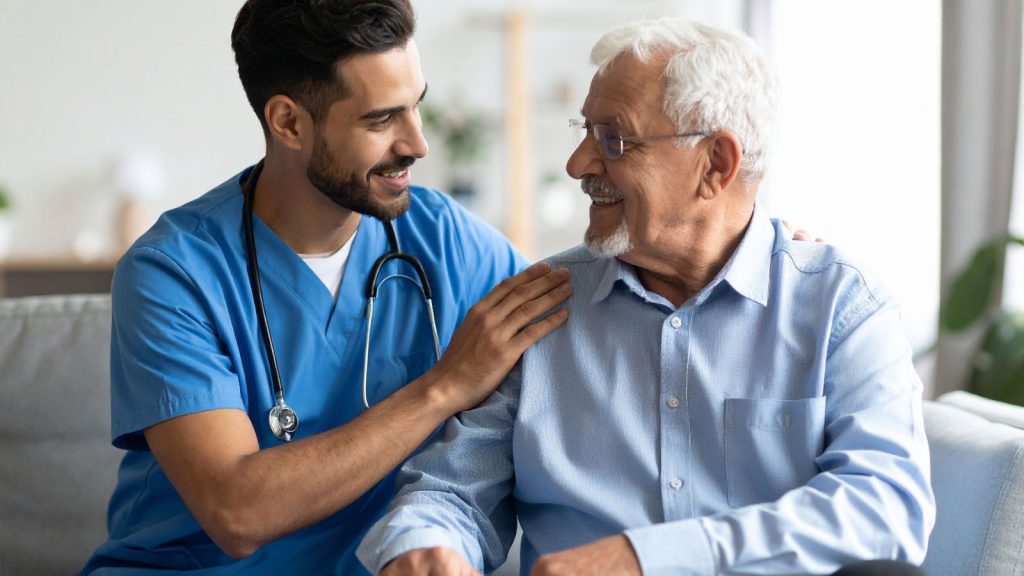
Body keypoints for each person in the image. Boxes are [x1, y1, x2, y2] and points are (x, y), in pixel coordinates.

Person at [357, 18, 935, 576]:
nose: (578, 164)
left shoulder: (838, 306)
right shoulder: (543, 304)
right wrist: (424, 541)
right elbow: (455, 492)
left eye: (613, 138)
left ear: (716, 164)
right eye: (583, 132)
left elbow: (885, 509)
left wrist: (645, 559)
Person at [81, 1, 574, 573]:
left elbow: (582, 333)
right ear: (288, 122)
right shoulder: (173, 273)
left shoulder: (447, 242)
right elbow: (237, 511)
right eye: (381, 119)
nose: (418, 144)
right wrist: (445, 387)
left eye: (417, 107)